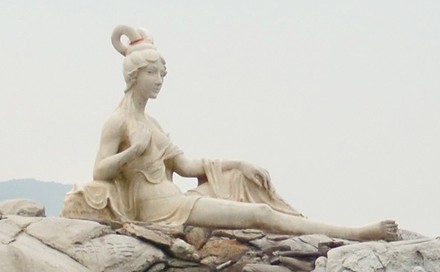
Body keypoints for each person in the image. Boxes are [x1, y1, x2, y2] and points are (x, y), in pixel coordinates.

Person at [62, 25, 398, 242]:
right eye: (152, 73)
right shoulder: (118, 121)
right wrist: (134, 151)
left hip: (175, 199)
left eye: (162, 74)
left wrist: (238, 163)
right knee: (258, 214)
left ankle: (311, 226)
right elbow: (100, 171)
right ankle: (354, 234)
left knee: (239, 180)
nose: (159, 81)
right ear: (134, 75)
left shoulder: (153, 124)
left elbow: (187, 167)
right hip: (159, 208)